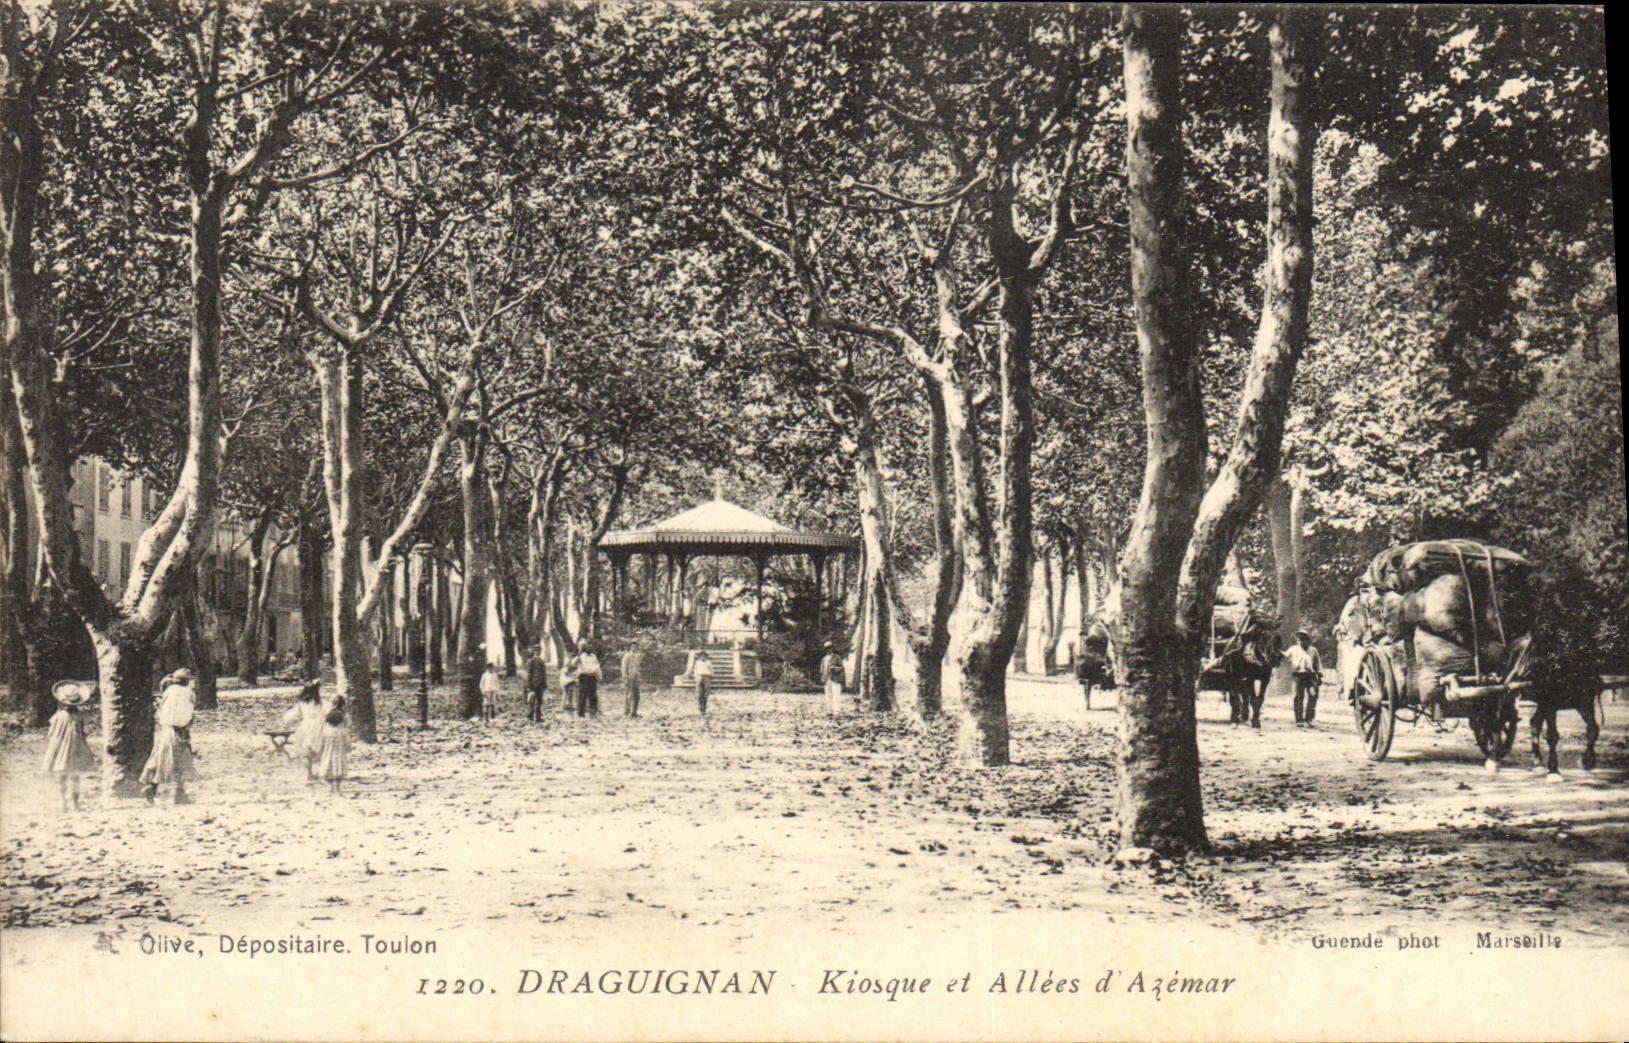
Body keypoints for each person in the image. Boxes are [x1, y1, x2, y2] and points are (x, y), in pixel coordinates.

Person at [140, 668, 197, 806]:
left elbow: (162, 710)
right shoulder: (188, 693)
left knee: (161, 759)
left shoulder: (168, 691)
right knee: (178, 761)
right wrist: (189, 723)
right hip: (178, 730)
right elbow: (186, 714)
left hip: (166, 730)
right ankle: (157, 790)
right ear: (186, 681)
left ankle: (169, 791)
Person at [42, 681, 98, 813]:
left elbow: (51, 734)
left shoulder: (57, 717)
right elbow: (82, 733)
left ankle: (63, 803)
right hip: (76, 748)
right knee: (75, 775)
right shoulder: (79, 717)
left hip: (60, 748)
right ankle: (75, 803)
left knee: (62, 775)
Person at [278, 682, 325, 781]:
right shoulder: (320, 703)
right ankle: (320, 771)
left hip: (305, 727)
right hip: (319, 727)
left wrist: (285, 718)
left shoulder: (301, 703)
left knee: (305, 751)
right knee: (319, 750)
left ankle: (309, 772)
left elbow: (291, 716)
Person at [1284, 629, 1323, 727]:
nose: (1301, 641)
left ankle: (1309, 718)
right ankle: (1299, 720)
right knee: (1298, 696)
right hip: (1298, 675)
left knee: (1313, 695)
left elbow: (1318, 664)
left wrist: (1320, 676)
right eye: (1299, 639)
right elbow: (1284, 657)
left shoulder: (1313, 650)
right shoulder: (1293, 649)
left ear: (1307, 640)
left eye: (1303, 639)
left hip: (1310, 675)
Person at [314, 696, 351, 796]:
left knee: (327, 759)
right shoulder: (344, 715)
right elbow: (348, 725)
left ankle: (330, 786)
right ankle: (338, 788)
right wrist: (348, 745)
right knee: (339, 760)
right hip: (340, 735)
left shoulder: (326, 714)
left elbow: (321, 725)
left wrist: (319, 745)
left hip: (328, 734)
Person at [819, 642, 846, 712]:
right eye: (826, 649)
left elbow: (842, 668)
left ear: (832, 648)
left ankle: (836, 710)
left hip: (835, 679)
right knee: (828, 695)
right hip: (827, 679)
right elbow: (822, 669)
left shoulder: (837, 657)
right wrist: (823, 677)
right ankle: (829, 710)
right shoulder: (824, 659)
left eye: (829, 648)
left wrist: (834, 668)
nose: (828, 650)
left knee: (836, 695)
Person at [576, 646, 601, 718]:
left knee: (593, 695)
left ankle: (593, 713)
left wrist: (599, 675)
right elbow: (573, 663)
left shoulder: (594, 656)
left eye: (591, 648)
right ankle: (581, 713)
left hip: (592, 676)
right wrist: (578, 655)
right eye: (588, 648)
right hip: (584, 676)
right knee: (583, 694)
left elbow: (597, 666)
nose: (590, 649)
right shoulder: (581, 656)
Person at [525, 647, 548, 721]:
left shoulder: (541, 661)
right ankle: (530, 715)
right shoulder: (531, 661)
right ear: (534, 652)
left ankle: (538, 717)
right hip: (533, 684)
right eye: (536, 651)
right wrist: (529, 685)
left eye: (539, 650)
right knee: (531, 700)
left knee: (540, 701)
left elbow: (544, 673)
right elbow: (529, 674)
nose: (538, 652)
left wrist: (544, 683)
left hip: (540, 684)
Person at [621, 645, 643, 717]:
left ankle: (634, 712)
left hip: (635, 678)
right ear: (630, 648)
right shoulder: (627, 656)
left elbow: (637, 668)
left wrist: (638, 676)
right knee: (628, 695)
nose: (635, 648)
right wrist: (625, 677)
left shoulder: (637, 656)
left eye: (636, 647)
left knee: (636, 695)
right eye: (633, 647)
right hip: (629, 677)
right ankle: (627, 712)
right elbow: (624, 667)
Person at [692, 650, 713, 715]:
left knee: (706, 693)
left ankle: (704, 708)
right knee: (699, 693)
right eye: (701, 656)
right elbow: (695, 670)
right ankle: (701, 707)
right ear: (700, 657)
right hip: (699, 677)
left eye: (704, 656)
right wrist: (696, 677)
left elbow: (711, 670)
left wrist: (710, 676)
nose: (703, 657)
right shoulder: (698, 662)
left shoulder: (708, 662)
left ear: (706, 657)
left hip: (706, 677)